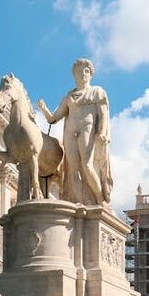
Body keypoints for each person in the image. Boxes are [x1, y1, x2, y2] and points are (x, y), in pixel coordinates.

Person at [38, 58, 113, 207]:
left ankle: (99, 199)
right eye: (80, 71)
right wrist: (44, 109)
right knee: (72, 169)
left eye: (86, 71)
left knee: (87, 165)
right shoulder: (69, 97)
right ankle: (77, 202)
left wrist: (102, 132)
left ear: (90, 74)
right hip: (70, 133)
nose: (83, 74)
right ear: (75, 75)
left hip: (87, 129)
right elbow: (53, 119)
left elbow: (103, 114)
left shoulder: (97, 92)